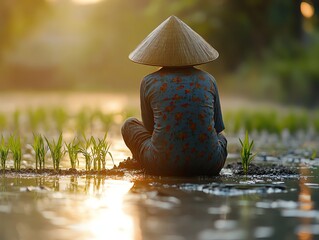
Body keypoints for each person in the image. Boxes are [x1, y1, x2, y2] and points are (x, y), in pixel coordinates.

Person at [122, 16, 227, 176]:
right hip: (209, 164)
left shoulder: (149, 82)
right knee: (221, 136)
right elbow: (218, 128)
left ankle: (143, 162)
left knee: (128, 125)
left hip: (162, 164)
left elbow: (150, 129)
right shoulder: (208, 80)